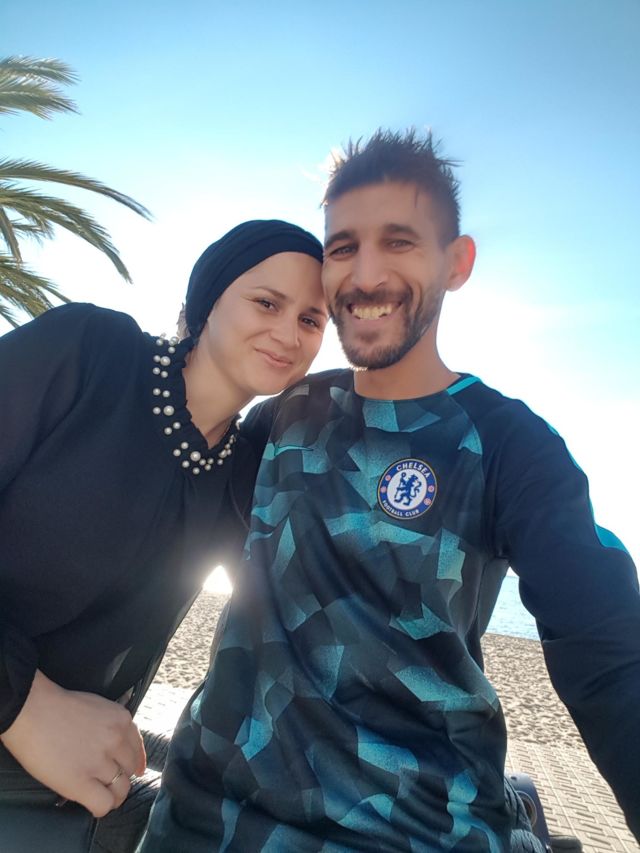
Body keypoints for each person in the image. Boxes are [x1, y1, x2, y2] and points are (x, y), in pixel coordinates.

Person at [140, 131, 640, 852]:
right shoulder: (285, 416)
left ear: (456, 263)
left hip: (420, 832)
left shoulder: (508, 445)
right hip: (205, 821)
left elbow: (609, 655)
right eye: (343, 247)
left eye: (399, 242)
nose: (366, 274)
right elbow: (160, 527)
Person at [0, 219, 328, 847]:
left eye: (311, 320)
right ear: (207, 303)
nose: (289, 334)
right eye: (267, 303)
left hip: (65, 792)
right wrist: (24, 705)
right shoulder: (90, 352)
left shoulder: (245, 470)